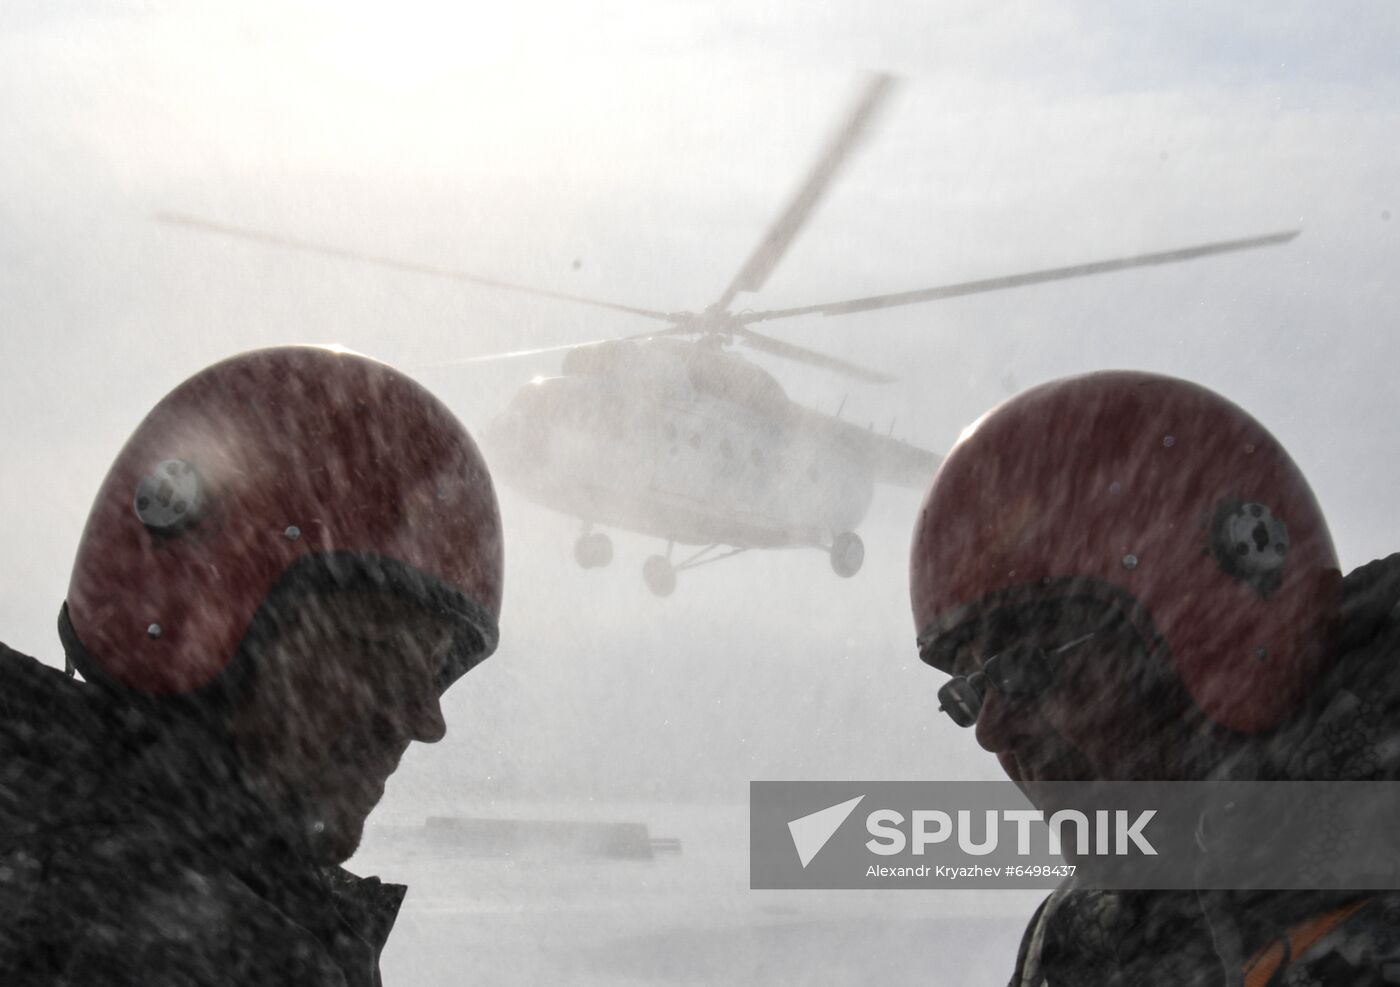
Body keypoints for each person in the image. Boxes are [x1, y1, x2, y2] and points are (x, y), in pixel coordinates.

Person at [0, 346, 504, 986]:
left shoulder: (205, 910)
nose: (425, 722)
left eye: (432, 675)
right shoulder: (125, 944)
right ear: (195, 620)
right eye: (379, 654)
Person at [908, 370, 1400, 985]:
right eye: (972, 691)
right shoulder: (1088, 946)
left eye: (1026, 667)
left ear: (1216, 633)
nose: (992, 731)